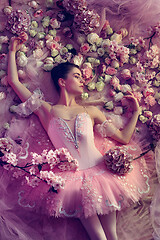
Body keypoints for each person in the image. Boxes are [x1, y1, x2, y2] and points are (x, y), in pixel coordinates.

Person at [7, 35, 149, 240]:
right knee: (98, 237)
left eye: (82, 76)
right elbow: (14, 81)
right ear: (62, 81)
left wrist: (136, 113)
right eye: (77, 75)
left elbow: (123, 138)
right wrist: (12, 51)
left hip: (102, 173)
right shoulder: (47, 110)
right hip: (73, 181)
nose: (83, 79)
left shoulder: (91, 112)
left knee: (113, 235)